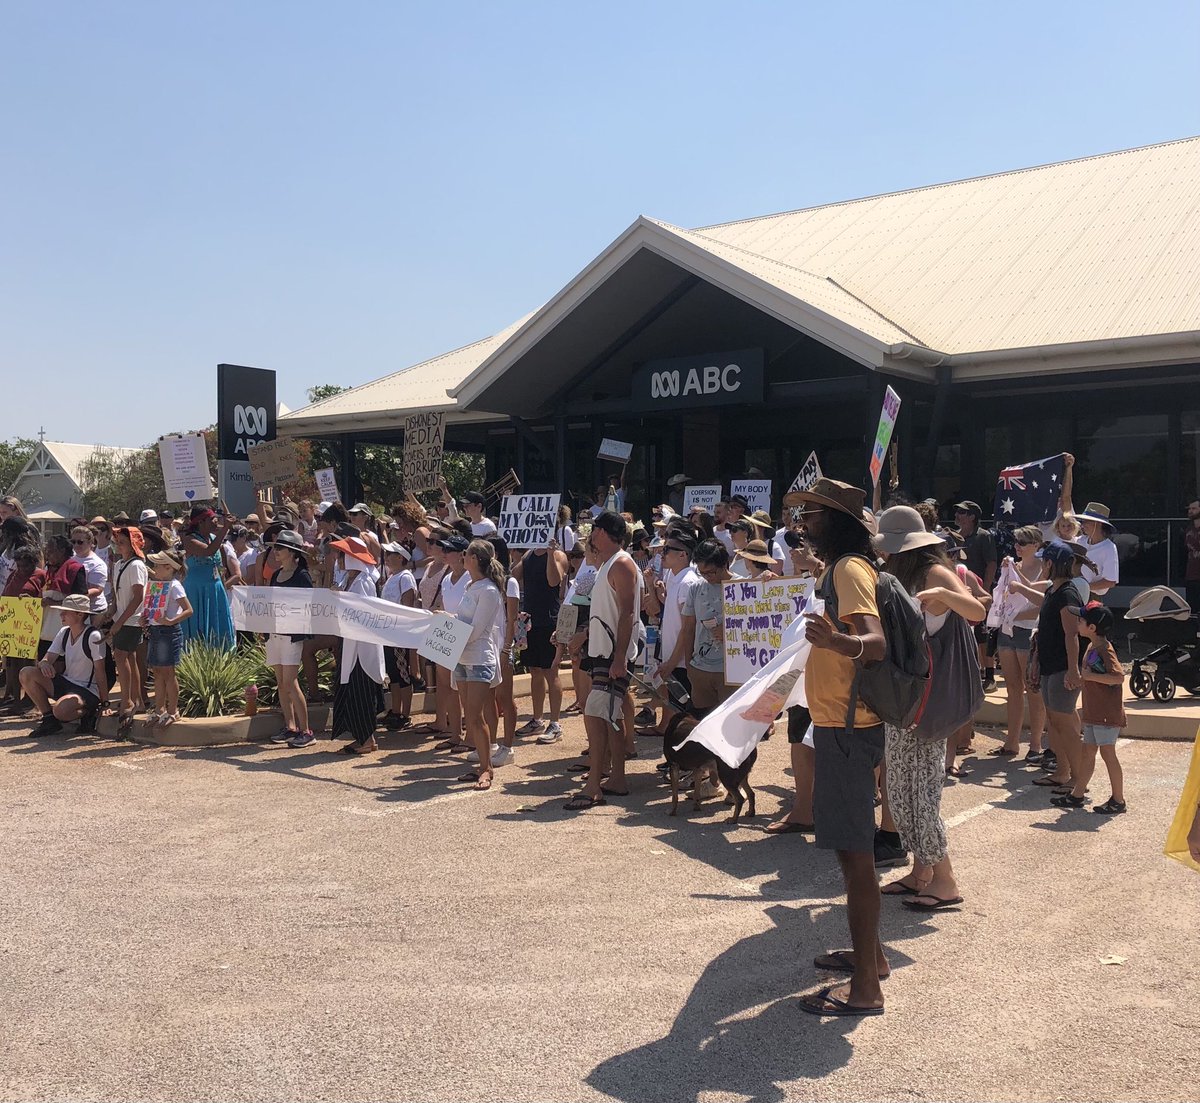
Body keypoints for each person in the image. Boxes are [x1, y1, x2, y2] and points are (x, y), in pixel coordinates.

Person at [790, 478, 889, 1019]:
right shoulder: (841, 569)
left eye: (813, 515)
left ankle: (868, 989)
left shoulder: (849, 569)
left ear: (839, 522)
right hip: (840, 726)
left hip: (848, 731)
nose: (804, 523)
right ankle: (870, 957)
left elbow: (873, 643)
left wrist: (835, 642)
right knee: (853, 857)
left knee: (856, 860)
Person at [873, 506, 984, 909]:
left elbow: (977, 611)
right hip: (904, 700)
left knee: (919, 795)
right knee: (901, 790)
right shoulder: (898, 576)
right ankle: (922, 872)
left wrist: (944, 594)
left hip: (924, 703)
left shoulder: (936, 574)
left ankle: (945, 879)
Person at [564, 511, 643, 811]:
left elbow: (627, 613)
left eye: (594, 529)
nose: (590, 534)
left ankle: (594, 783)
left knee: (598, 715)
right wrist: (584, 635)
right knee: (607, 716)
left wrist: (620, 657)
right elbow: (608, 611)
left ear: (603, 532)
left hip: (613, 655)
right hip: (604, 652)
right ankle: (615, 779)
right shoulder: (610, 564)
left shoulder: (621, 563)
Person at [1052, 602, 1127, 814]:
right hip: (1094, 713)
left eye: (1081, 620)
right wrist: (1080, 681)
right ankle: (1077, 794)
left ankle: (1118, 799)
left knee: (1108, 753)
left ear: (1092, 628)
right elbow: (1093, 677)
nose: (1078, 623)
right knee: (1088, 752)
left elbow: (1118, 677)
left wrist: (1089, 677)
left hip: (1106, 714)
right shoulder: (1092, 647)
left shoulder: (1104, 648)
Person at [1026, 541, 1086, 795]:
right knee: (1054, 721)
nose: (1041, 564)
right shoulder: (1053, 591)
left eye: (1044, 560)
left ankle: (1078, 778)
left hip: (1063, 667)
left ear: (1051, 563)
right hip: (1050, 666)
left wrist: (1073, 670)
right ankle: (1062, 772)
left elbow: (1072, 635)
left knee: (1064, 724)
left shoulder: (1068, 593)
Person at [453, 540, 505, 791]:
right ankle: (483, 764)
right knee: (470, 717)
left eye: (466, 554)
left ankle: (486, 768)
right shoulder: (470, 586)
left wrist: (450, 628)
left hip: (479, 658)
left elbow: (476, 630)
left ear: (474, 559)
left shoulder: (489, 590)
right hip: (462, 658)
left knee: (475, 716)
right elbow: (463, 621)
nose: (463, 557)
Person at [21, 593, 111, 737]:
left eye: (66, 612)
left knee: (60, 711)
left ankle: (89, 711)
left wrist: (105, 702)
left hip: (87, 690)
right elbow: (46, 659)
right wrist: (44, 664)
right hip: (68, 682)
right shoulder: (64, 632)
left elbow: (100, 671)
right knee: (26, 673)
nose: (61, 614)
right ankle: (49, 720)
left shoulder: (94, 636)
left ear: (80, 614)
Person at [994, 526, 1048, 759]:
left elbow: (1041, 602)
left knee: (1032, 689)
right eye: (1017, 541)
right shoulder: (1011, 567)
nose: (1018, 546)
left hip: (1029, 632)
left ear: (1037, 544)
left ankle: (1035, 745)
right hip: (1007, 630)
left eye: (1024, 542)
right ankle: (1011, 742)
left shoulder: (1044, 568)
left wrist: (1016, 613)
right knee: (1013, 688)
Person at [329, 534, 386, 754]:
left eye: (343, 556)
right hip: (351, 641)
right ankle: (365, 737)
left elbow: (362, 612)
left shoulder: (363, 582)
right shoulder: (349, 581)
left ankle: (366, 739)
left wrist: (340, 600)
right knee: (353, 689)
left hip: (362, 646)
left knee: (360, 689)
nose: (339, 560)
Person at [513, 537, 568, 742]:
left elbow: (554, 580)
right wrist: (517, 552)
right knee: (534, 671)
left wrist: (551, 553)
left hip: (549, 620)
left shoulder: (559, 555)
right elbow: (514, 576)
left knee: (550, 671)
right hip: (529, 620)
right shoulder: (528, 554)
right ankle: (537, 719)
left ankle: (555, 723)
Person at [264, 531, 316, 748]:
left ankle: (307, 731)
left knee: (290, 681)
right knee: (281, 682)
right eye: (275, 547)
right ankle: (290, 725)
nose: (276, 551)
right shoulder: (276, 575)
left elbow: (307, 605)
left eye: (280, 548)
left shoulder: (302, 575)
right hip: (275, 633)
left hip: (292, 635)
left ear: (292, 552)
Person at [104, 525, 149, 735]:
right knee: (128, 658)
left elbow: (138, 596)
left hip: (131, 619)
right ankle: (135, 700)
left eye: (122, 542)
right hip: (121, 616)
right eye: (117, 542)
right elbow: (117, 594)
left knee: (121, 656)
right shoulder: (120, 564)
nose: (118, 545)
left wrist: (120, 621)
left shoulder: (136, 565)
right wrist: (111, 612)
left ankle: (127, 701)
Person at [143, 550, 193, 726]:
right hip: (156, 631)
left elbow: (188, 609)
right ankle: (159, 709)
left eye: (157, 565)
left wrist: (171, 621)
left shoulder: (174, 585)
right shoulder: (158, 585)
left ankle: (173, 710)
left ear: (169, 567)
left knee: (168, 672)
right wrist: (146, 618)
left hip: (168, 632)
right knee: (157, 671)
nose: (154, 568)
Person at [685, 539, 733, 713]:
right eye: (702, 572)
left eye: (710, 572)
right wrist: (689, 665)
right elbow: (688, 628)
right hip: (700, 669)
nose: (706, 576)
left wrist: (730, 630)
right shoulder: (696, 588)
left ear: (723, 565)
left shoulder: (743, 587)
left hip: (731, 673)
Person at [954, 500, 997, 689]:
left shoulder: (983, 536)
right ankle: (976, 671)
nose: (957, 515)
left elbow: (991, 563)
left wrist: (985, 590)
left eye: (962, 512)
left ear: (972, 516)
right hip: (959, 590)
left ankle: (989, 675)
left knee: (982, 633)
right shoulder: (955, 536)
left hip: (978, 591)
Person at [179, 506, 236, 649]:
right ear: (200, 522)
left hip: (215, 589)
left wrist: (222, 586)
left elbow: (220, 566)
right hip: (196, 591)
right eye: (212, 519)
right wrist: (225, 529)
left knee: (217, 625)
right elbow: (208, 551)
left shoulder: (213, 539)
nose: (216, 521)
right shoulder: (189, 539)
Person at [379, 541, 417, 731]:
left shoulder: (405, 577)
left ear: (400, 557)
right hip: (388, 632)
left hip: (399, 633)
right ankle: (395, 709)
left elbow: (407, 604)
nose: (386, 557)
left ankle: (406, 713)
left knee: (402, 674)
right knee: (393, 675)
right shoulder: (392, 577)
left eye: (390, 554)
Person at [1077, 502, 1119, 600]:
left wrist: (1083, 588)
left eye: (1086, 521)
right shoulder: (1079, 541)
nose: (1082, 525)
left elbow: (1110, 581)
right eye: (1082, 521)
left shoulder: (1109, 548)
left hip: (1092, 597)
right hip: (1074, 594)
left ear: (1098, 523)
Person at [69, 525, 109, 616]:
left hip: (94, 610)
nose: (76, 545)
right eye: (73, 542)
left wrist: (78, 596)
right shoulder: (70, 560)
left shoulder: (97, 563)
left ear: (90, 543)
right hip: (75, 608)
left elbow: (97, 589)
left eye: (80, 542)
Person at [1185, 499, 1200, 612]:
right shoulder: (1189, 529)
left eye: (1194, 508)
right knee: (1192, 609)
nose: (1190, 511)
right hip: (1191, 574)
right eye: (1189, 508)